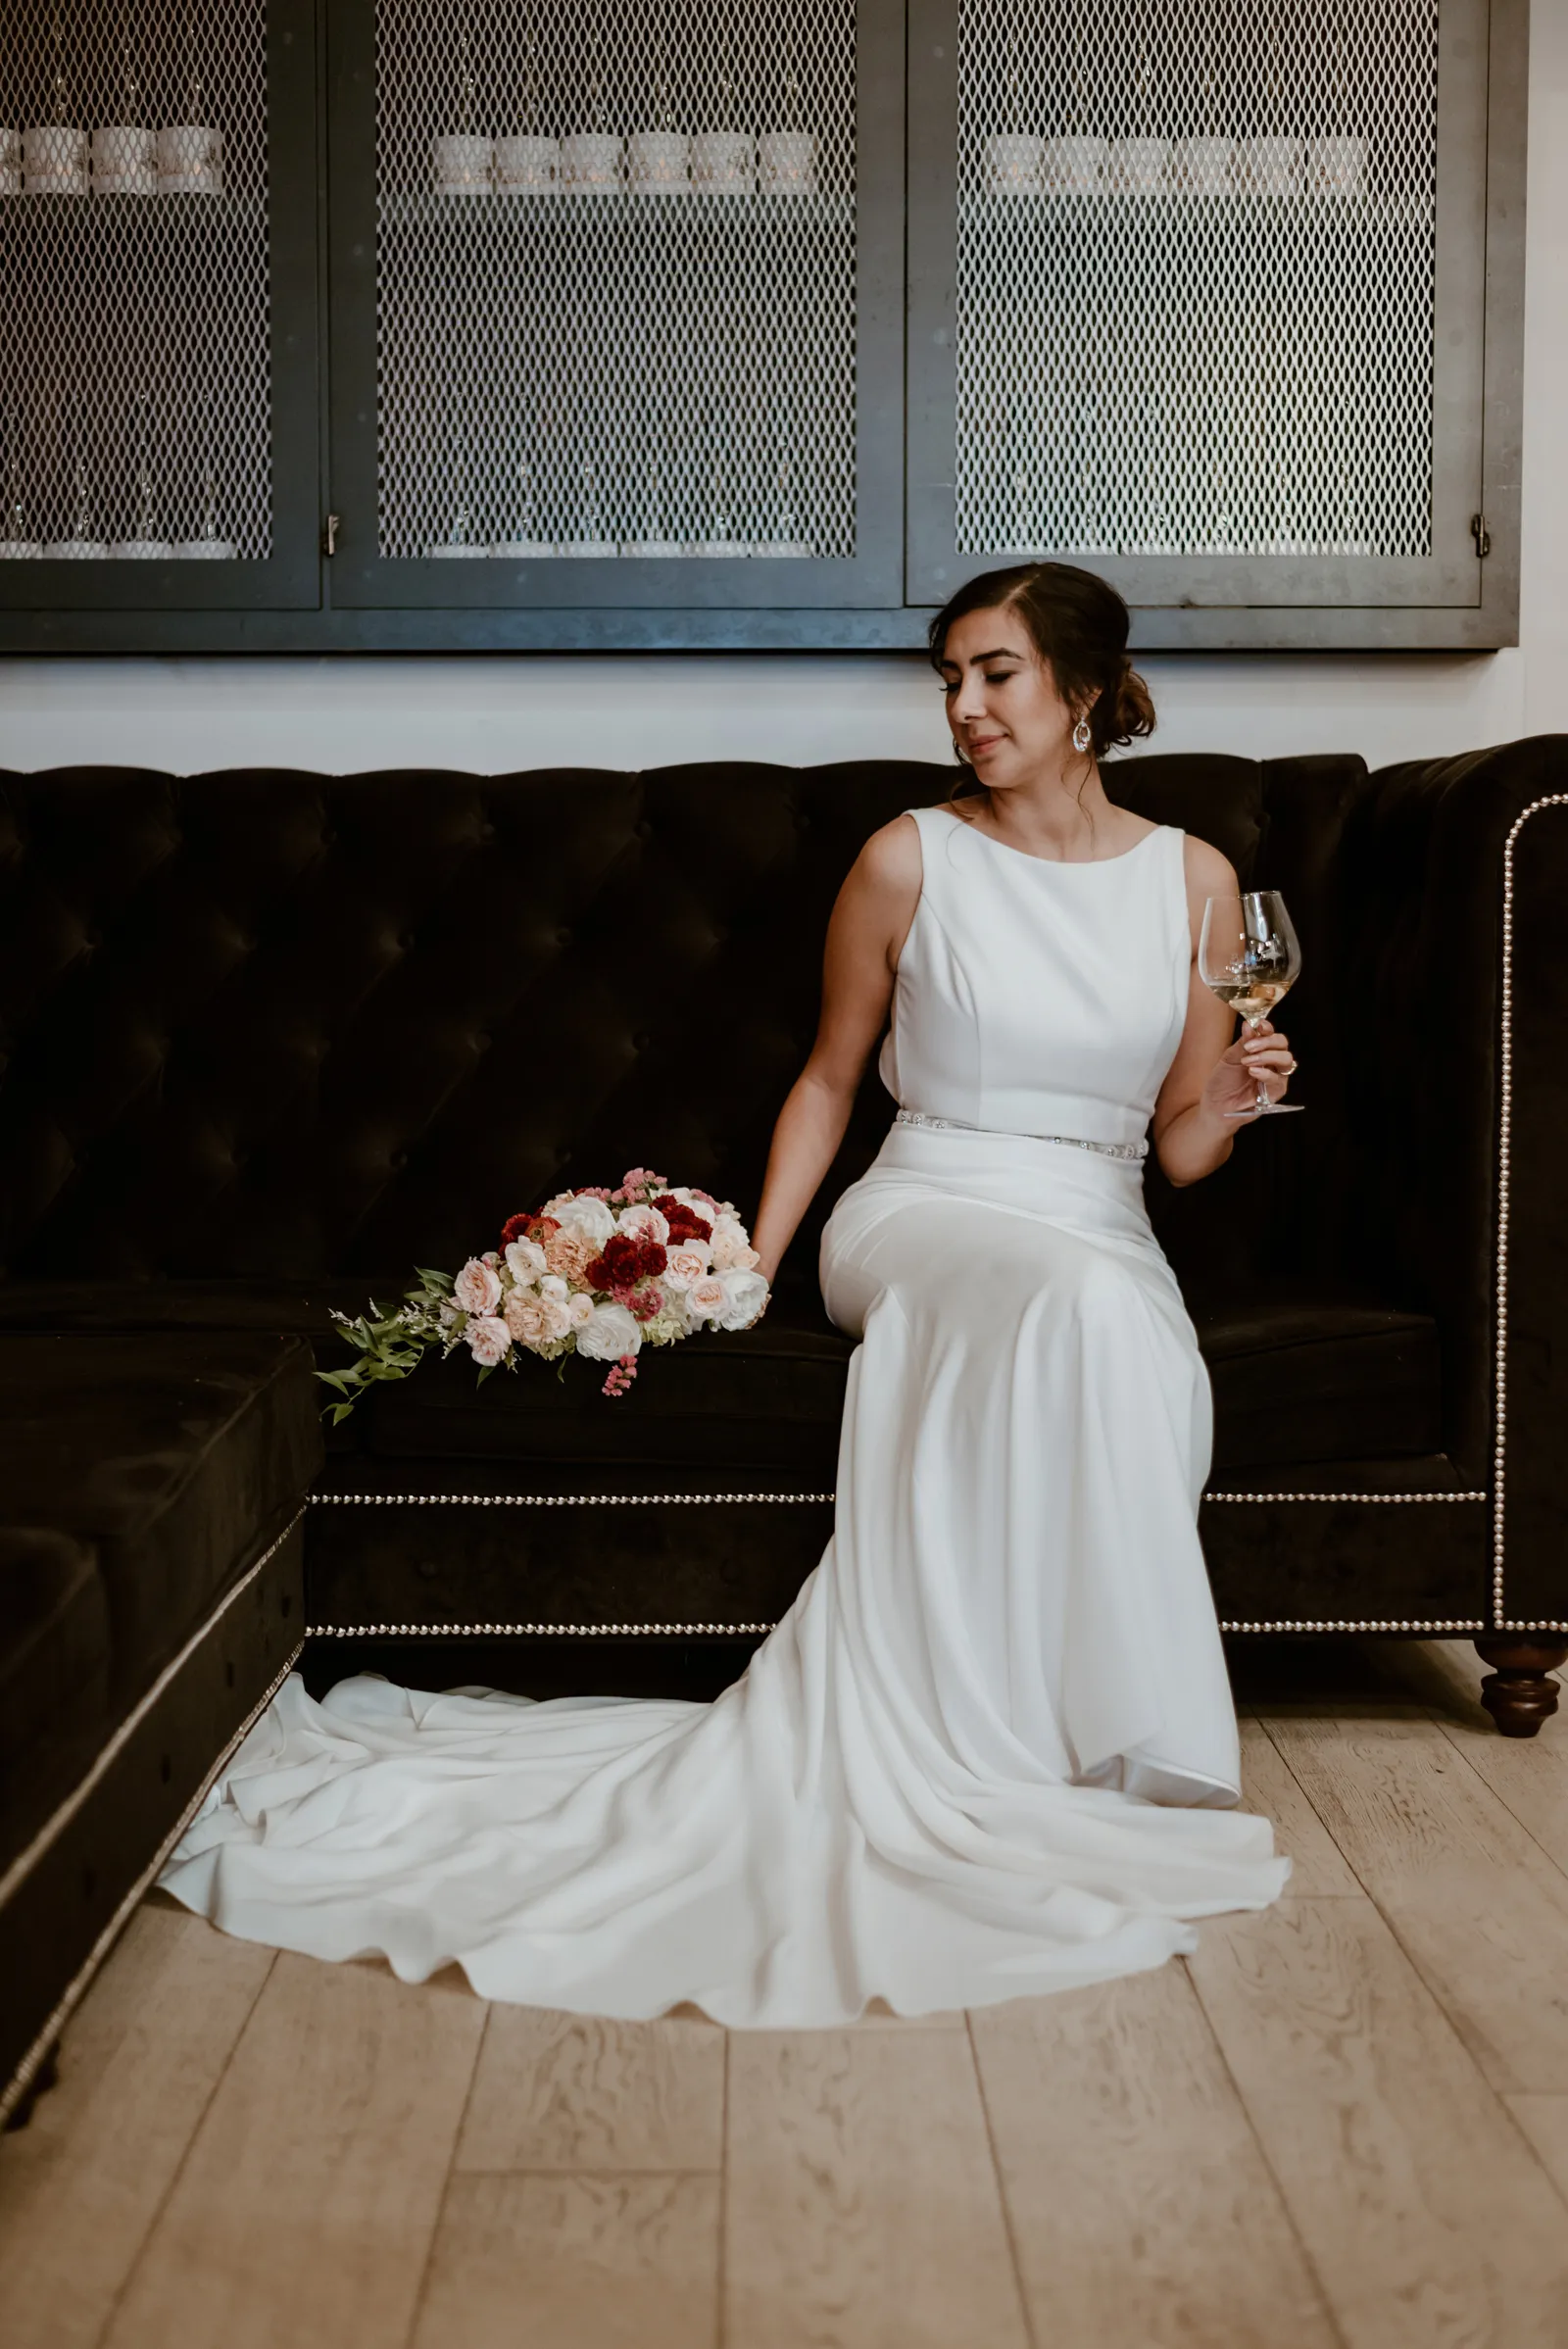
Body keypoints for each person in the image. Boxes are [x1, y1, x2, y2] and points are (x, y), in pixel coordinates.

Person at [160, 563, 1293, 2026]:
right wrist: (756, 1260)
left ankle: (1076, 1729)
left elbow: (1182, 1152)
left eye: (995, 675)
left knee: (1120, 1325)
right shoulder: (908, 858)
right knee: (1071, 1307)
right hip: (927, 1205)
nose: (963, 707)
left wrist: (1247, 1093)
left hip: (1098, 1217)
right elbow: (829, 1080)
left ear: (1084, 691)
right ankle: (1047, 1738)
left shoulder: (1196, 881)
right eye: (949, 678)